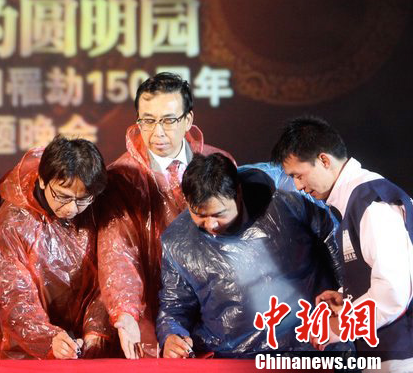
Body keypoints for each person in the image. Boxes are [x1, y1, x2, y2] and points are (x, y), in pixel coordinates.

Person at [97, 72, 234, 358]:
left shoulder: (218, 164)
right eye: (147, 120)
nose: (157, 132)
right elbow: (117, 253)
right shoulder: (122, 177)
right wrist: (126, 311)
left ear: (188, 119)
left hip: (216, 311)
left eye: (168, 120)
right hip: (151, 313)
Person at [157, 153, 342, 358]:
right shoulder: (178, 242)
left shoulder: (286, 200)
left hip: (316, 346)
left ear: (238, 193)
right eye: (199, 215)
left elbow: (338, 245)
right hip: (235, 359)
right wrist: (171, 335)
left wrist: (347, 298)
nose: (210, 225)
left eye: (219, 214)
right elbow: (174, 305)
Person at [272, 116, 413, 370]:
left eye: (299, 175)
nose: (298, 186)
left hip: (401, 355)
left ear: (324, 160)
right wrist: (348, 296)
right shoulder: (354, 202)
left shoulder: (371, 202)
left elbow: (393, 292)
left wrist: (337, 326)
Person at [0, 136, 113, 359]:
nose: (71, 208)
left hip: (85, 346)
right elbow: (13, 295)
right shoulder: (13, 220)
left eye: (82, 199)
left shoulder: (96, 211)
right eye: (62, 196)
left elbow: (110, 275)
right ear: (42, 180)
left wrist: (97, 329)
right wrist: (48, 338)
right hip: (29, 352)